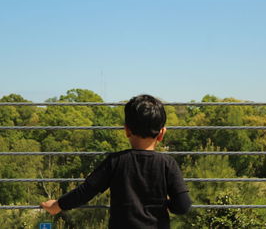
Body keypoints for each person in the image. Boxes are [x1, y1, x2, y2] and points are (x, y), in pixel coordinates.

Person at [40, 94, 191, 228]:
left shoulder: (116, 161)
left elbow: (86, 191)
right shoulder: (168, 164)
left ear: (127, 130)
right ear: (161, 133)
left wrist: (57, 205)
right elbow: (183, 206)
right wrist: (167, 203)